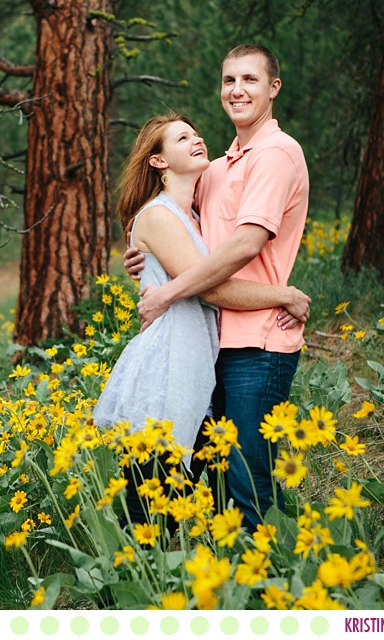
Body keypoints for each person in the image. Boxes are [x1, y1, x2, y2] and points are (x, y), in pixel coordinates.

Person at [93, 112, 310, 532]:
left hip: (194, 376)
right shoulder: (158, 216)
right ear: (158, 162)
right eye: (181, 138)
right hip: (165, 376)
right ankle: (116, 593)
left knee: (190, 497)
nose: (197, 140)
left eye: (196, 132)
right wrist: (284, 295)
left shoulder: (194, 216)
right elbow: (210, 288)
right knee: (149, 511)